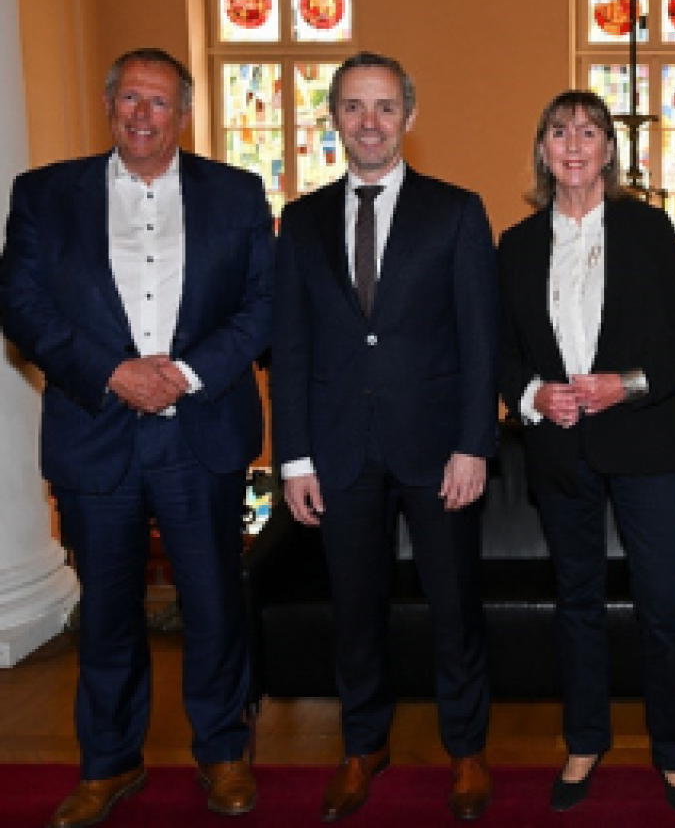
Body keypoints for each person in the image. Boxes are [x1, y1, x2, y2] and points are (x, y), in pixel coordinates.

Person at [0, 48, 271, 826]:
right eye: (129, 99)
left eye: (158, 101)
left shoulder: (236, 192)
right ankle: (109, 763)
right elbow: (20, 303)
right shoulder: (47, 194)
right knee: (108, 610)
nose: (142, 114)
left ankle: (223, 754)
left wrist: (183, 373)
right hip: (97, 430)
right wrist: (114, 372)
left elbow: (261, 304)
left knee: (215, 604)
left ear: (182, 113)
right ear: (109, 104)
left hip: (202, 433)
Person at [271, 52, 499, 821]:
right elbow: (292, 347)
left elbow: (480, 339)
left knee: (454, 605)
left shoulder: (458, 211)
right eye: (354, 107)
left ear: (410, 116)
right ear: (333, 117)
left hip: (439, 452)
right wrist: (292, 455)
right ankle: (363, 743)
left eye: (385, 106)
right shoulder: (299, 221)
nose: (370, 122)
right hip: (337, 452)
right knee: (354, 605)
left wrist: (475, 443)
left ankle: (466, 748)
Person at [497, 90, 675, 817]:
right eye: (559, 131)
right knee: (578, 604)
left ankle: (673, 752)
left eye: (589, 131)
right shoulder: (518, 244)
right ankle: (584, 739)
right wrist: (532, 395)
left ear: (610, 149)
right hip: (560, 451)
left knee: (661, 605)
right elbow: (499, 351)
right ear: (544, 149)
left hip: (644, 443)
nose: (574, 143)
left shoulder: (649, 230)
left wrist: (630, 384)